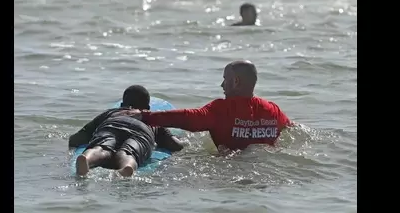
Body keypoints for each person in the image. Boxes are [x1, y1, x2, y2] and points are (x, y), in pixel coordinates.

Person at [125, 60, 293, 152]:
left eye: (225, 79)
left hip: (229, 170)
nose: (222, 85)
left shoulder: (220, 110)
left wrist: (144, 116)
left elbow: (187, 118)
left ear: (235, 82)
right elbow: (293, 129)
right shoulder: (273, 110)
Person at [68, 85, 185, 177]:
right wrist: (183, 140)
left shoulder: (111, 112)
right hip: (141, 131)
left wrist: (72, 141)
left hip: (113, 124)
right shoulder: (150, 118)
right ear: (148, 108)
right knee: (128, 152)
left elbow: (79, 137)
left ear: (122, 104)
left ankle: (87, 159)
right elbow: (174, 145)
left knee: (101, 147)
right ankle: (127, 166)